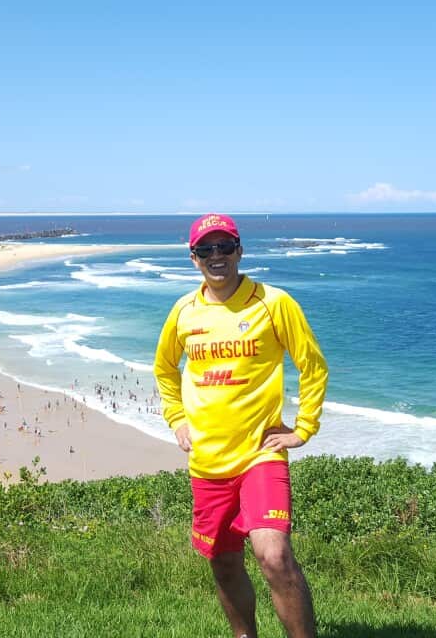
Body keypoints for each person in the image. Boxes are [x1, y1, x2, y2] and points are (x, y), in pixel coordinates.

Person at [154, 213, 328, 638]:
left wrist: (304, 427)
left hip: (260, 454)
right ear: (193, 258)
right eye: (206, 249)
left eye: (224, 247)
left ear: (239, 252)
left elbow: (313, 365)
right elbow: (164, 369)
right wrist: (177, 419)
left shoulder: (273, 302)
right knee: (224, 560)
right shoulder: (184, 311)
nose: (217, 256)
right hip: (208, 460)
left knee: (274, 555)